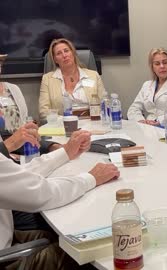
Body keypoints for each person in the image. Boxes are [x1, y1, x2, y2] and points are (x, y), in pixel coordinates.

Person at [0, 130, 120, 269]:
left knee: (63, 235)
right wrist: (91, 178)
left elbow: (15, 177)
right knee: (91, 252)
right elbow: (41, 194)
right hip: (6, 258)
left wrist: (65, 153)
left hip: (9, 238)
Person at [0, 54, 62, 156]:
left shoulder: (13, 89)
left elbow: (23, 128)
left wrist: (50, 145)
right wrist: (10, 155)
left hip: (22, 147)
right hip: (5, 156)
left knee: (58, 149)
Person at [38, 38, 105, 121]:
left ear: (73, 53)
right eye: (59, 53)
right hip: (62, 126)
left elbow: (104, 104)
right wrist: (67, 120)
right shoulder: (47, 79)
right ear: (55, 60)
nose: (64, 55)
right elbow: (44, 112)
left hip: (92, 122)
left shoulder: (93, 76)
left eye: (66, 51)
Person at [127, 48, 167, 127]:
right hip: (149, 127)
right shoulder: (147, 85)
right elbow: (133, 108)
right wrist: (140, 121)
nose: (162, 66)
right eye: (157, 64)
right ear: (152, 67)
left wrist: (158, 122)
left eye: (165, 62)